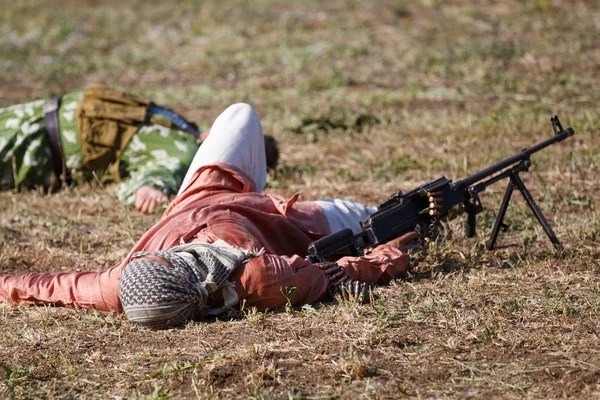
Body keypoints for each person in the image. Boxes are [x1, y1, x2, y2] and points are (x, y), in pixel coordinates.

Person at [0, 103, 413, 330]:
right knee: (367, 216)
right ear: (188, 279)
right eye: (176, 260)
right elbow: (337, 272)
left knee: (241, 114)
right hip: (284, 220)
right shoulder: (259, 277)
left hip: (201, 191)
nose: (174, 253)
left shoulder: (120, 285)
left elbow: (55, 287)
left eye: (157, 256)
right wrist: (392, 252)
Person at [0, 85, 279, 214]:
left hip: (34, 148)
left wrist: (146, 190)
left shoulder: (187, 156)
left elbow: (157, 176)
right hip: (33, 119)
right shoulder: (183, 128)